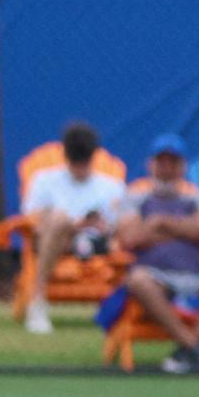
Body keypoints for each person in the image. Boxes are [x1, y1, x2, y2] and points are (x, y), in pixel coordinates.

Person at [113, 133, 199, 374]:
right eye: (161, 162)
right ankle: (195, 348)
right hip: (157, 276)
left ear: (183, 166)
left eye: (173, 162)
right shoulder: (135, 199)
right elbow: (131, 238)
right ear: (151, 165)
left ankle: (188, 347)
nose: (167, 168)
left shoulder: (198, 198)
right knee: (137, 280)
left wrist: (159, 223)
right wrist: (186, 229)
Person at [19, 121, 125, 334]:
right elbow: (33, 220)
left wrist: (103, 226)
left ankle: (122, 308)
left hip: (98, 242)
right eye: (75, 161)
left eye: (85, 161)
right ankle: (38, 299)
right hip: (56, 242)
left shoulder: (111, 186)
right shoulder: (45, 180)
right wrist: (73, 225)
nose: (80, 168)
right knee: (60, 220)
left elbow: (120, 224)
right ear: (66, 156)